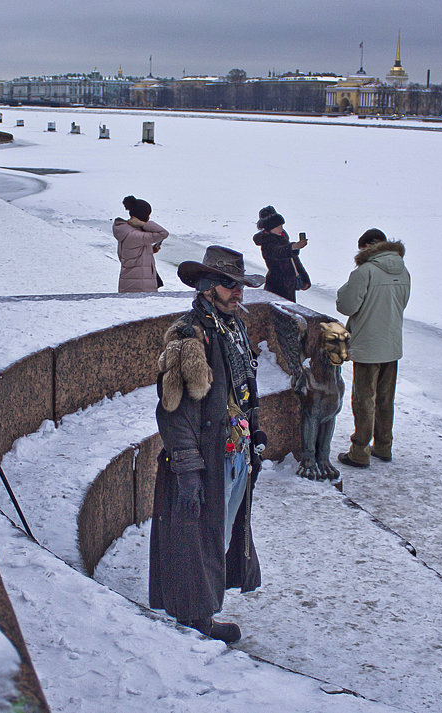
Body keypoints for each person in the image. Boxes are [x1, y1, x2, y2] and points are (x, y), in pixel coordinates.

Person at [149, 246, 268, 643]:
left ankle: (203, 607)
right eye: (229, 285)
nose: (238, 293)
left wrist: (256, 430)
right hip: (205, 457)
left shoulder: (233, 328)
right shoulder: (189, 336)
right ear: (206, 287)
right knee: (196, 538)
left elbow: (243, 390)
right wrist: (187, 468)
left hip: (234, 453)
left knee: (220, 533)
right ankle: (197, 617)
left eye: (240, 285)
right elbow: (173, 411)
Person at [335, 228, 410, 468]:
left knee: (364, 400)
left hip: (368, 346)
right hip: (392, 344)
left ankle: (359, 452)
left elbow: (346, 306)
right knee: (386, 399)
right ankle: (383, 446)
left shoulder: (365, 271)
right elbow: (403, 303)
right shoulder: (403, 270)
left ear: (367, 247)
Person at [252, 205, 310, 302]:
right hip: (276, 286)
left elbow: (293, 260)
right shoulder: (267, 243)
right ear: (270, 228)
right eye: (278, 226)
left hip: (288, 286)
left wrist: (304, 278)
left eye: (282, 226)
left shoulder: (282, 238)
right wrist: (294, 247)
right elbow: (279, 252)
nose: (281, 229)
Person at [113, 196, 169, 292]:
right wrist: (143, 224)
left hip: (133, 282)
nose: (149, 218)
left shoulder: (126, 231)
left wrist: (150, 250)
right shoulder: (134, 235)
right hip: (139, 286)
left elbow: (132, 253)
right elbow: (163, 233)